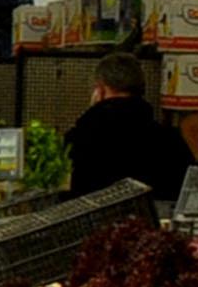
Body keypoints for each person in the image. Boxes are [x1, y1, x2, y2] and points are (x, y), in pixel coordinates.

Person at [66, 52, 191, 200]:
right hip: (151, 221)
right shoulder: (170, 140)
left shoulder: (78, 140)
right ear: (141, 90)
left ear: (100, 90)